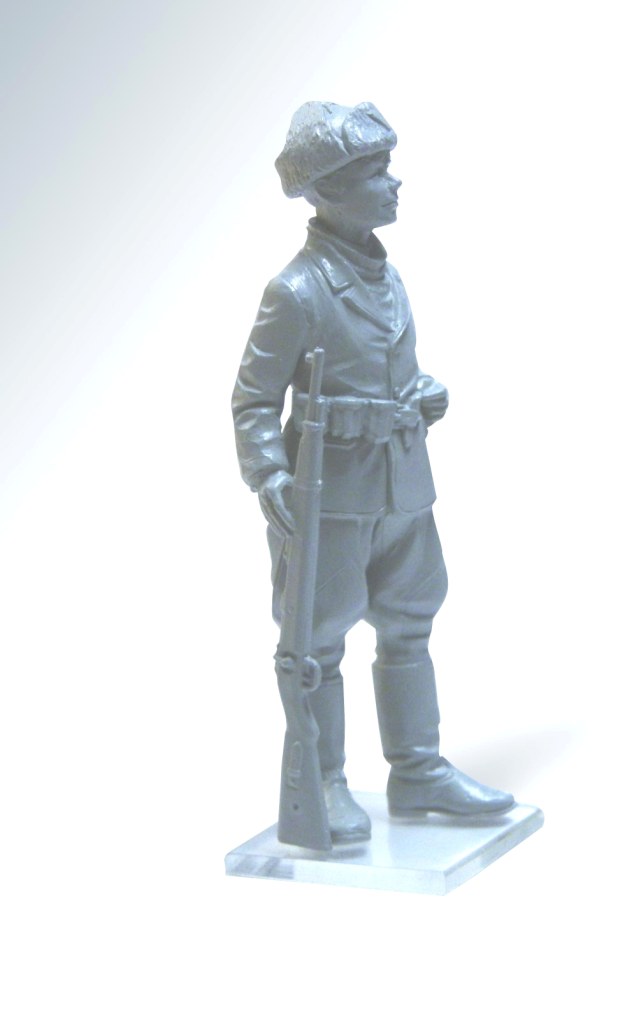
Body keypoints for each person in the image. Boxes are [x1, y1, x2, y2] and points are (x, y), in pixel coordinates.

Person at [232, 101, 513, 843]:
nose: (394, 183)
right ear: (327, 190)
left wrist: (420, 393)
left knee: (410, 623)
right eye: (375, 172)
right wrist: (270, 477)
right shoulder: (295, 291)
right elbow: (253, 400)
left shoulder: (386, 276)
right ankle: (324, 782)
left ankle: (417, 771)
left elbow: (385, 366)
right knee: (318, 643)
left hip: (402, 485)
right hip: (330, 496)